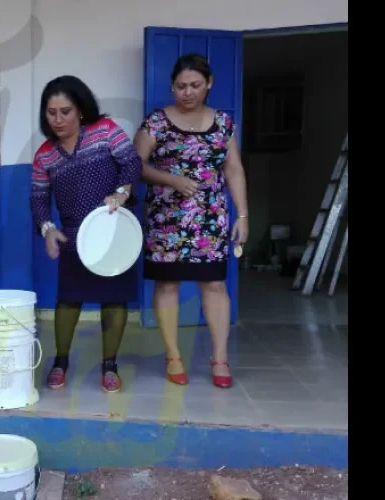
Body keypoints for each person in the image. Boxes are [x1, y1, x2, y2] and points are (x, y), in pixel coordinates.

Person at [132, 53, 249, 389]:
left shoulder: (224, 124)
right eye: (181, 86)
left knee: (214, 285)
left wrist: (242, 214)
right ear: (172, 86)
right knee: (167, 285)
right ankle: (173, 356)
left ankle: (220, 358)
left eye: (195, 85)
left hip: (210, 222)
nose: (187, 92)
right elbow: (135, 166)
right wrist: (171, 180)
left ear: (208, 84)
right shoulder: (155, 122)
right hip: (165, 222)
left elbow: (234, 169)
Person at [30, 75, 143, 393]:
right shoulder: (45, 155)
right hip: (74, 236)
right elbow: (38, 198)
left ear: (81, 110)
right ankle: (61, 361)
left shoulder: (105, 132)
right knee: (68, 300)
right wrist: (47, 228)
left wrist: (122, 191)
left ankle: (110, 365)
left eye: (65, 111)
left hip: (114, 231)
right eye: (51, 113)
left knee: (114, 300)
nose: (58, 119)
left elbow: (131, 162)